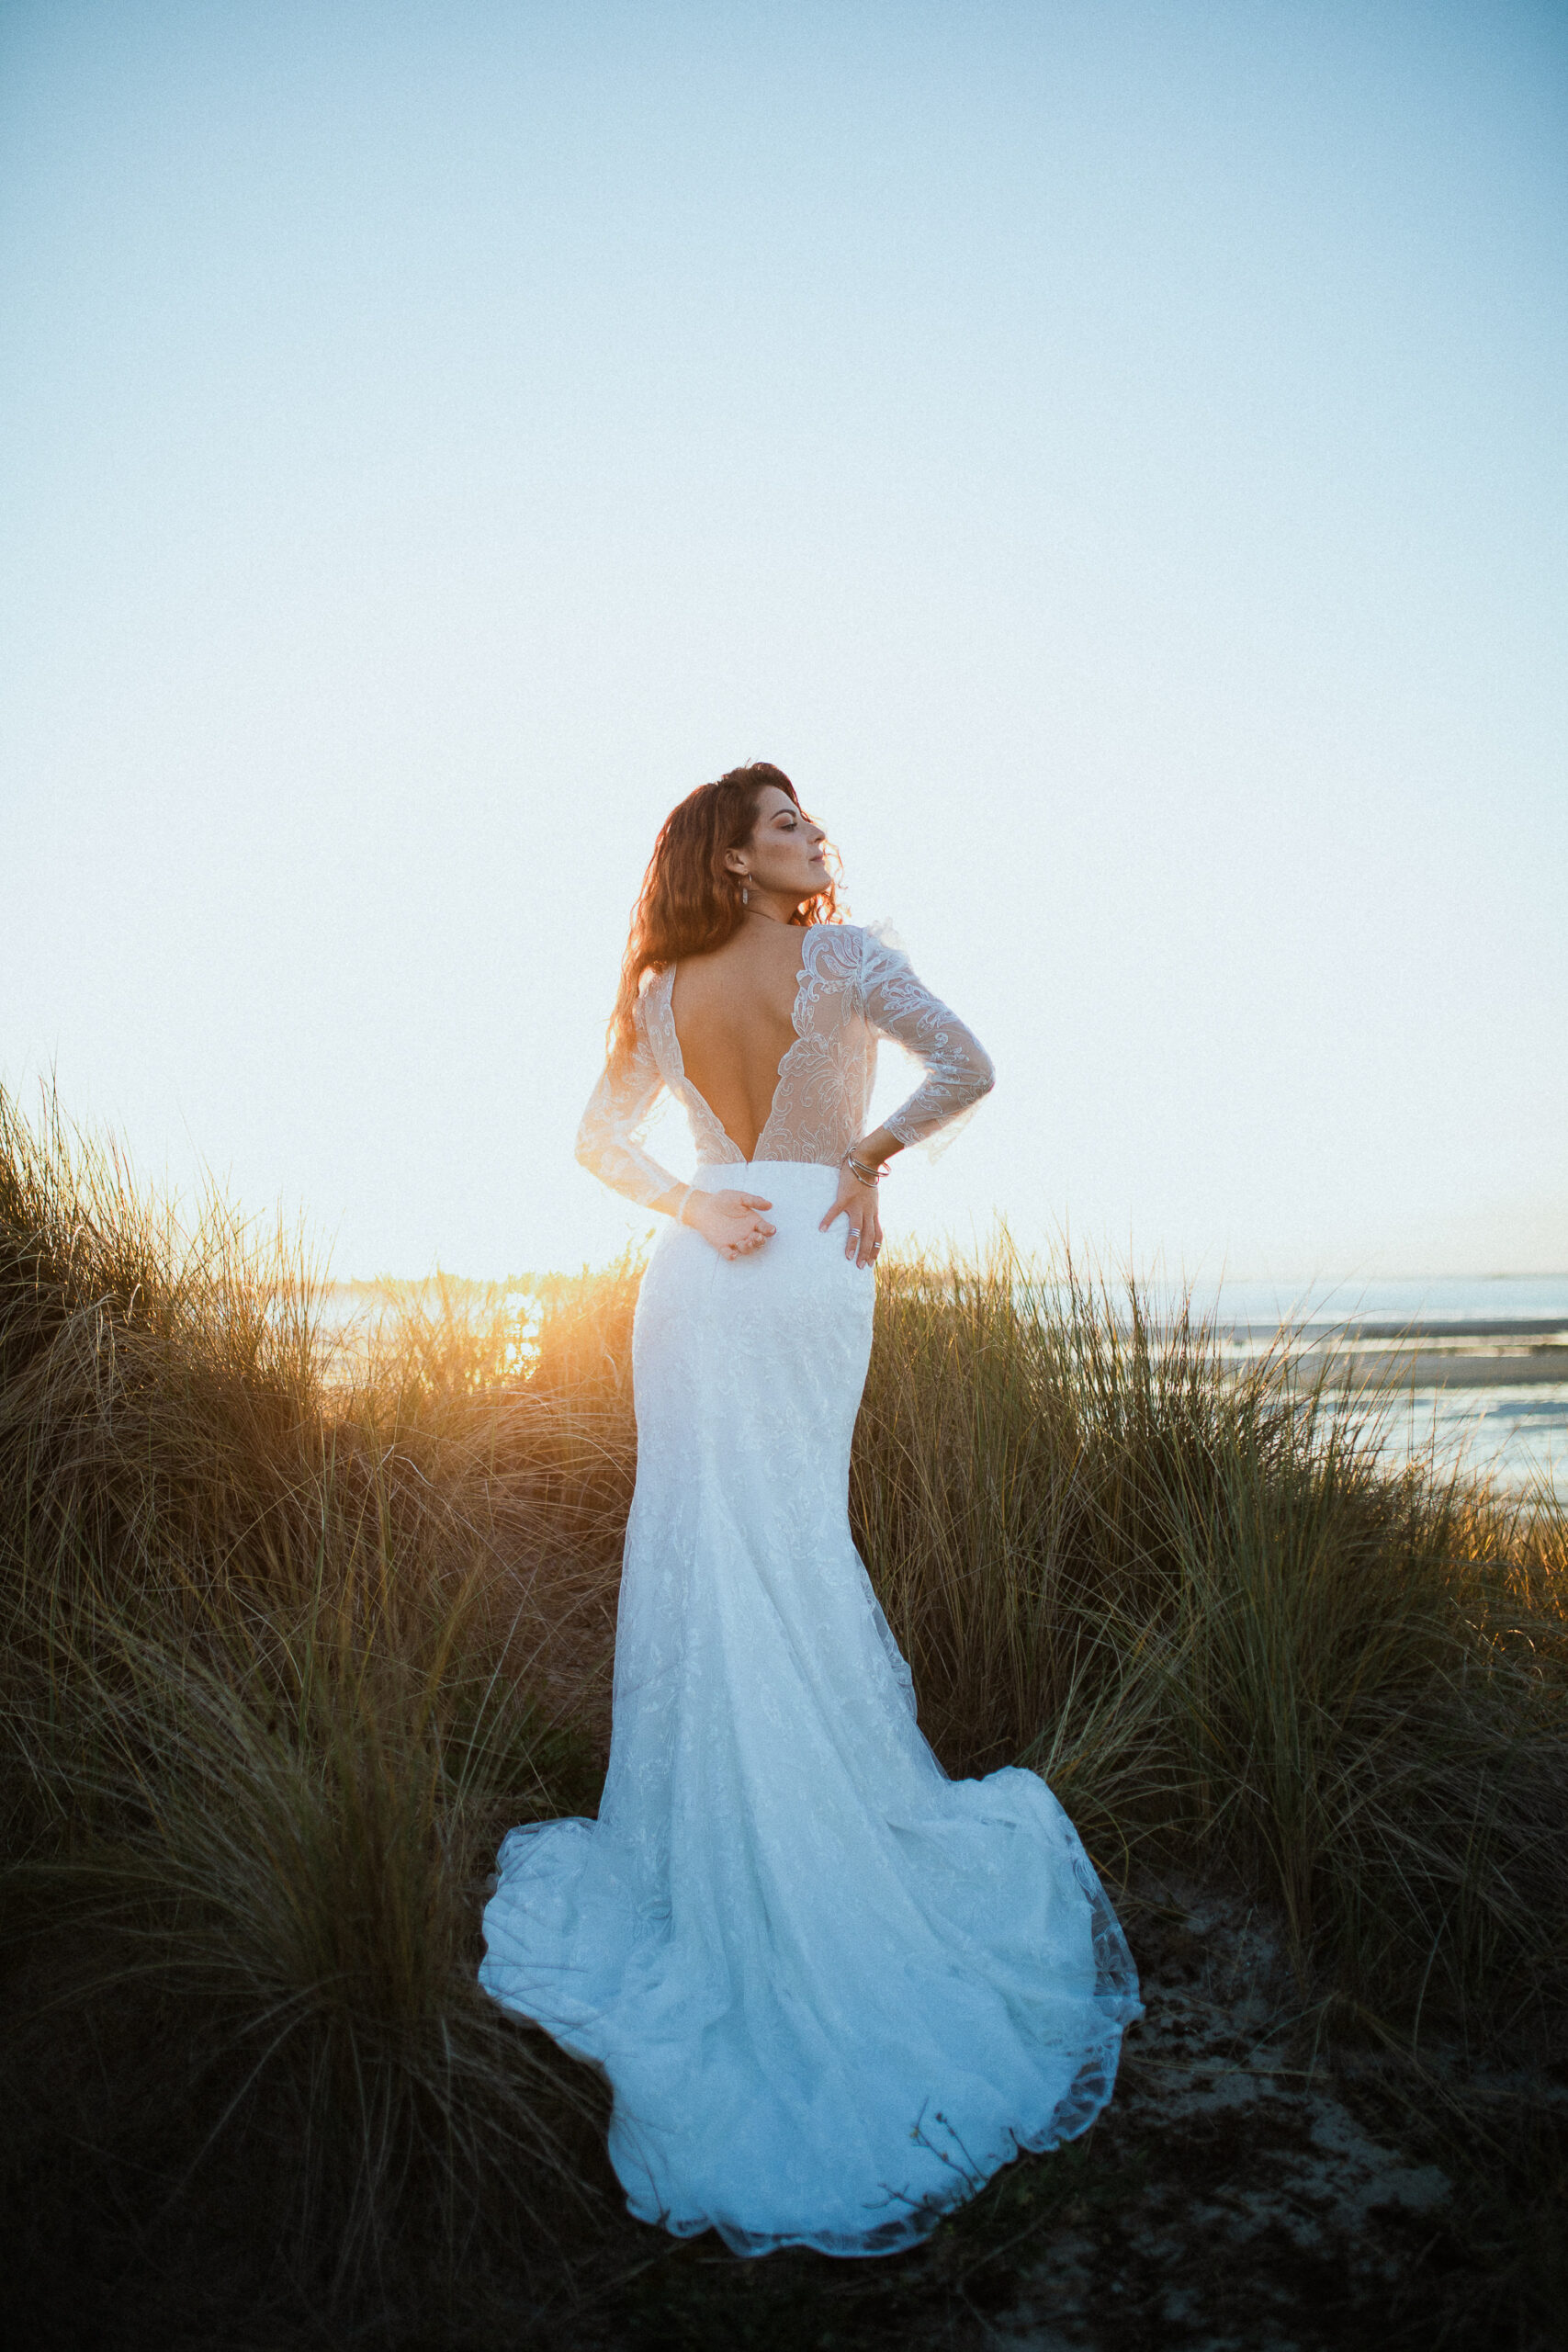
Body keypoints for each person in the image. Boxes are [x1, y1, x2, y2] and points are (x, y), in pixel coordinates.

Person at [479, 763, 1140, 2256]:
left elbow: (597, 1142)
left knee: (710, 1552)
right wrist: (866, 1159)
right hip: (813, 1261)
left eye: (805, 820)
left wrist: (697, 1204)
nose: (810, 836)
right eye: (781, 823)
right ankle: (807, 1853)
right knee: (782, 1546)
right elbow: (966, 1064)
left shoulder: (654, 988)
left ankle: (716, 1854)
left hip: (708, 1273)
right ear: (729, 854)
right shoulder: (842, 953)